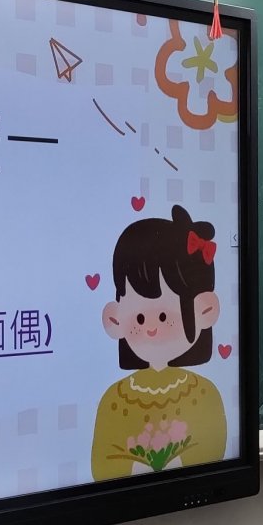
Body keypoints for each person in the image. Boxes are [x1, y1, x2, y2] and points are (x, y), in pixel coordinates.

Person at [92, 205, 226, 480]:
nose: (151, 328)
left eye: (164, 315)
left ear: (205, 310)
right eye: (139, 317)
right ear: (115, 318)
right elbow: (102, 464)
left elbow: (213, 451)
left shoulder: (205, 394)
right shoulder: (113, 400)